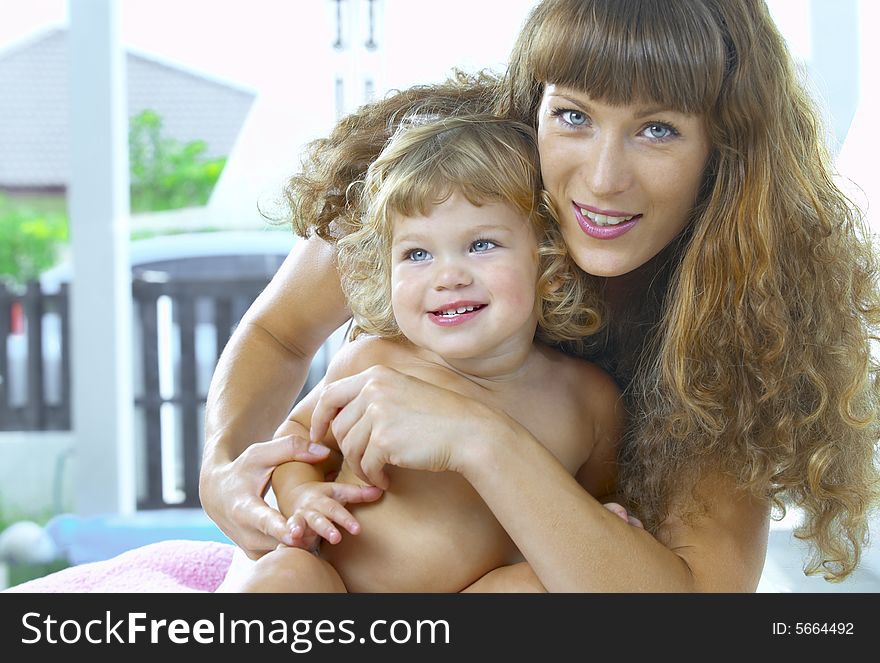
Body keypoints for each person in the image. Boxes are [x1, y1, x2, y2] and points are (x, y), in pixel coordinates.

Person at [201, 0, 880, 591]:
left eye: (658, 129)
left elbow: (696, 607)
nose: (604, 177)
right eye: (574, 116)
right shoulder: (443, 198)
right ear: (534, 105)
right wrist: (223, 468)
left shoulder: (737, 315)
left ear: (723, 151)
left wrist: (482, 437)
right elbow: (280, 334)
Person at [218, 114, 625, 592]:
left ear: (551, 265)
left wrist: (607, 523)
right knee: (287, 573)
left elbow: (590, 511)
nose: (447, 275)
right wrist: (302, 494)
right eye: (416, 254)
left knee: (535, 588)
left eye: (481, 244)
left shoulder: (588, 401)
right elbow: (297, 441)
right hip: (337, 590)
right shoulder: (375, 362)